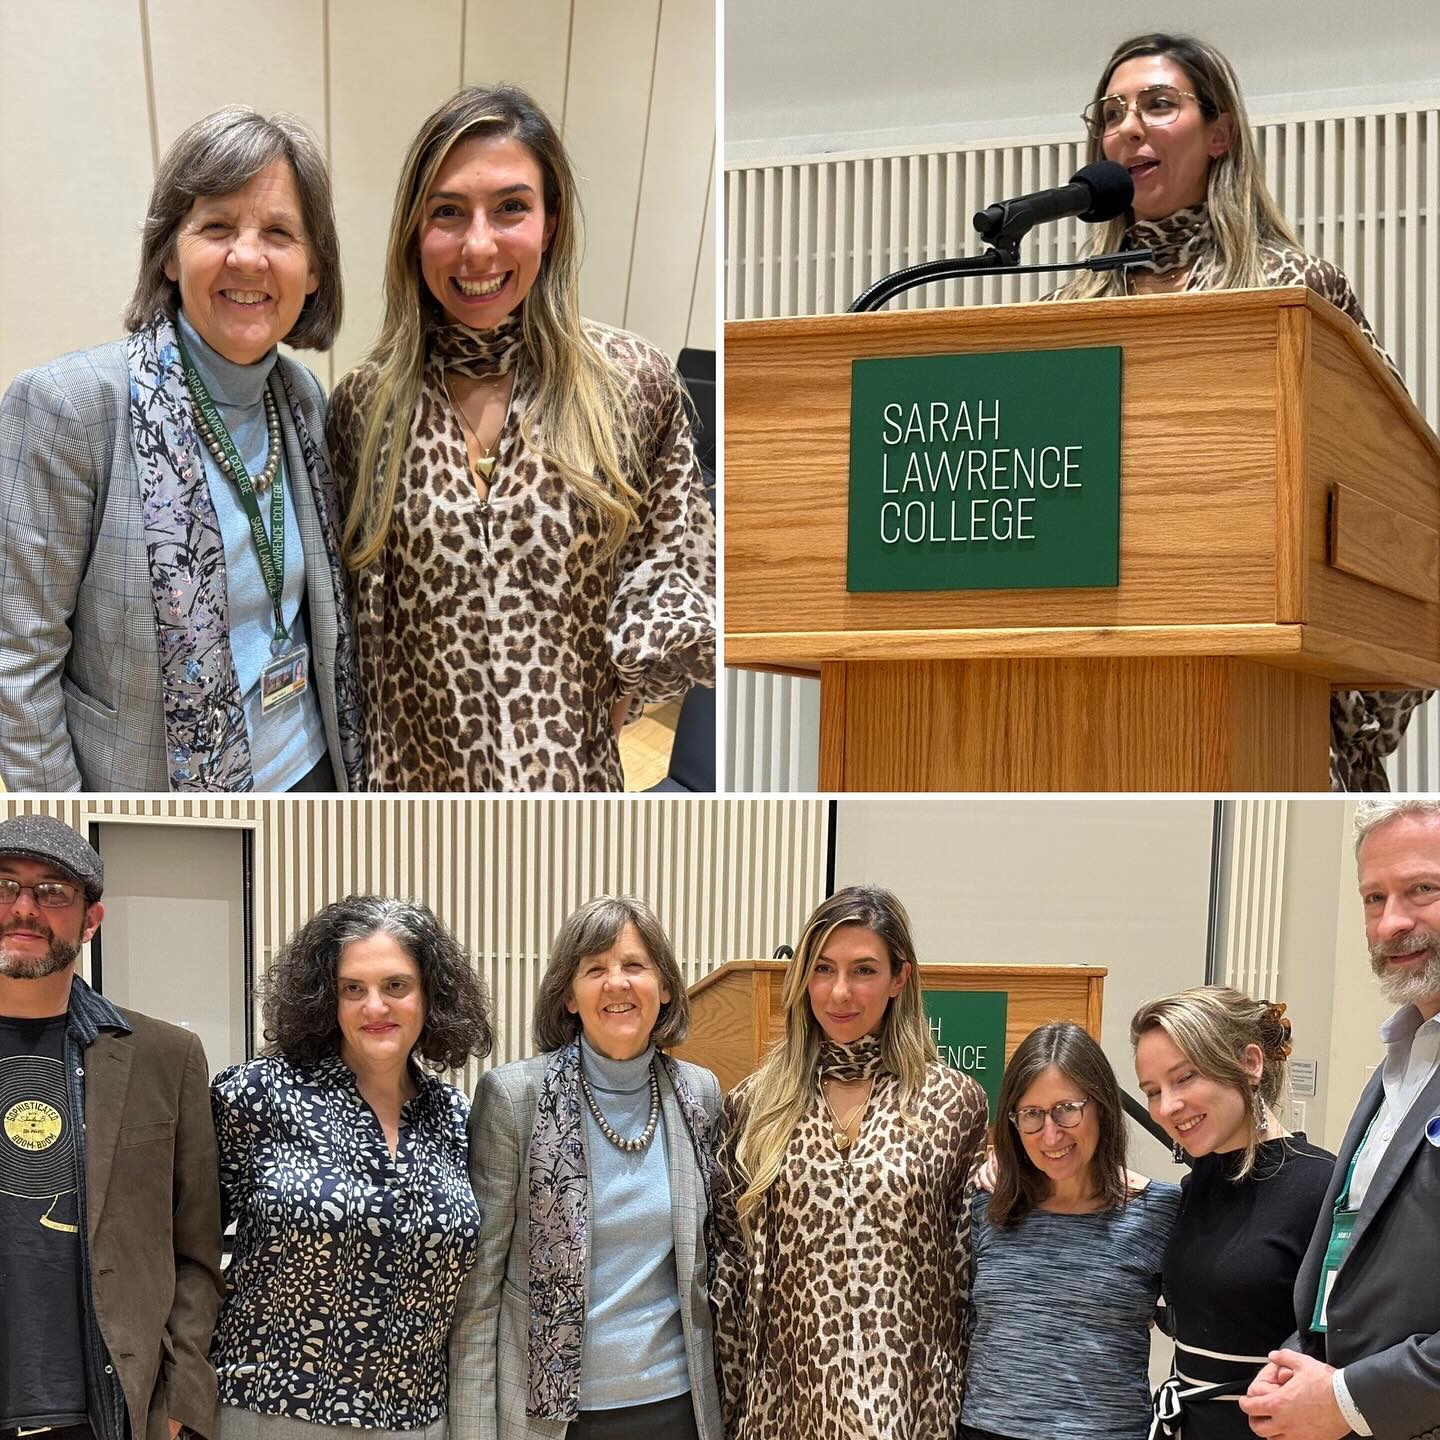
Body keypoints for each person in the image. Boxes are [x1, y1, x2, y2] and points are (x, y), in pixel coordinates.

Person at [1056, 32, 1428, 792]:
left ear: (1220, 134)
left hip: (1267, 696)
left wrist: (1357, 707)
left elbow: (1399, 496)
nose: (1130, 128)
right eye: (1113, 112)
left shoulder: (1293, 291)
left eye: (1160, 105)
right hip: (1098, 693)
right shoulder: (1069, 313)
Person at [326, 86, 715, 792]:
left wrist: (624, 676)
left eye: (510, 208)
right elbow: (353, 625)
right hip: (410, 788)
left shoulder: (631, 384)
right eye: (448, 212)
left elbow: (676, 561)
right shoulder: (364, 405)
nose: (478, 245)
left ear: (551, 223)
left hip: (569, 780)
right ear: (415, 233)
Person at [0, 106, 363, 794]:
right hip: (158, 804)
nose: (248, 256)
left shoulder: (304, 400)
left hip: (313, 769)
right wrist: (69, 844)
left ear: (313, 270)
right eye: (217, 226)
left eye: (280, 232)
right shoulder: (68, 407)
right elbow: (15, 666)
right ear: (170, 253)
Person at [209, 896, 493, 1438]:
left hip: (418, 1419)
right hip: (270, 1410)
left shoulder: (458, 1118)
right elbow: (185, 1249)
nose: (375, 1007)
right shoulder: (258, 1094)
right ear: (326, 999)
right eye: (352, 989)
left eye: (396, 986)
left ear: (431, 996)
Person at [711, 887, 987, 1440]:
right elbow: (729, 1277)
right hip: (783, 1407)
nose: (840, 992)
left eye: (864, 969)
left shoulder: (953, 1103)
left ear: (899, 978)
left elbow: (968, 1280)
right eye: (822, 968)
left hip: (908, 1406)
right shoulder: (754, 1104)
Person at [448, 895, 721, 1440]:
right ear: (569, 996)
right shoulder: (513, 1098)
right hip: (552, 1419)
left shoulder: (699, 1094)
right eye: (595, 969)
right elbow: (478, 1295)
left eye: (634, 966)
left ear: (665, 988)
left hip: (676, 1406)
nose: (616, 983)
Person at [0, 814, 222, 1440]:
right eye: (5, 885)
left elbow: (197, 1249)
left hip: (106, 1409)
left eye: (52, 891)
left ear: (91, 920)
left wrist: (183, 1398)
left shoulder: (164, 1056)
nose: (24, 908)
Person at [1241, 798, 1440, 1440]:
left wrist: (1350, 1399)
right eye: (1373, 898)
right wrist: (1305, 1361)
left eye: (1422, 890)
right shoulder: (1401, 1062)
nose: (1390, 924)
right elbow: (1353, 1252)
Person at [959, 1022, 1178, 1440]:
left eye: (1067, 1109)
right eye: (1032, 1115)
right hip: (986, 1430)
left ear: (1100, 1106)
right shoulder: (987, 1204)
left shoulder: (1158, 1211)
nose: (1051, 1134)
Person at [1132, 988, 1334, 1439]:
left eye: (1184, 1078)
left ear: (1250, 1063)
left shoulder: (1323, 1187)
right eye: (1152, 1091)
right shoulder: (1199, 1182)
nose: (1167, 1106)